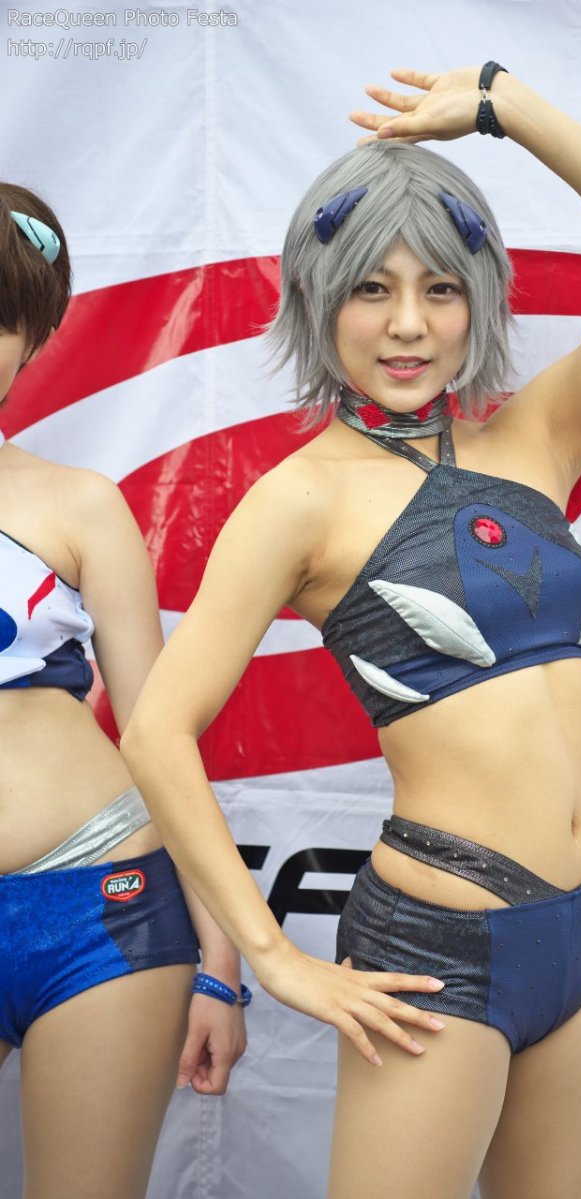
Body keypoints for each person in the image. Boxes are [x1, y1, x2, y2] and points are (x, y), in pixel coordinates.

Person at [121, 65, 581, 1199]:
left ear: (478, 300)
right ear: (319, 299)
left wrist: (504, 106)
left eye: (440, 288)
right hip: (437, 953)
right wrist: (271, 957)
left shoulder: (539, 434)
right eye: (371, 289)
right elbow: (157, 730)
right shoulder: (300, 498)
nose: (407, 324)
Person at [0, 184, 246, 1199]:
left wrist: (222, 961)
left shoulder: (81, 507)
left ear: (32, 338)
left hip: (101, 907)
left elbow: (160, 734)